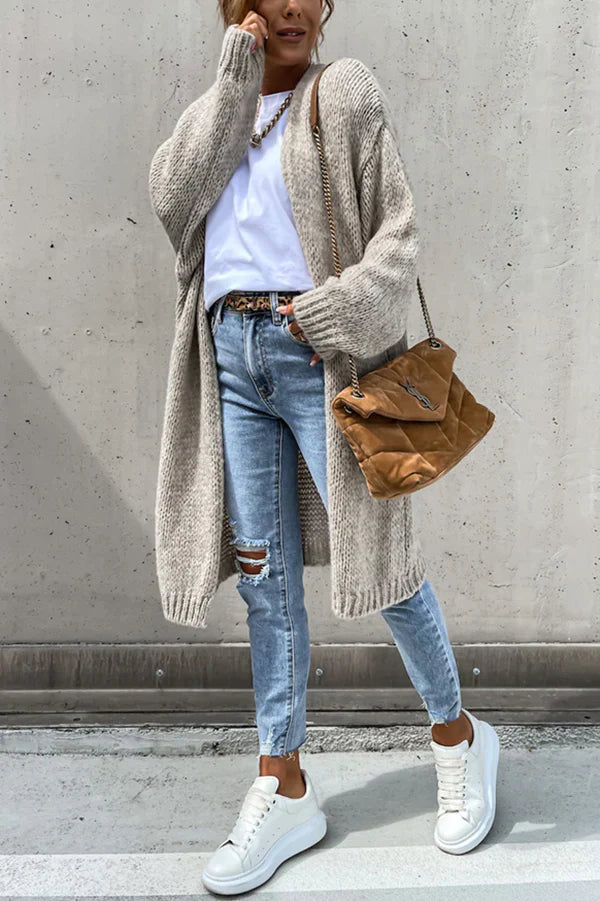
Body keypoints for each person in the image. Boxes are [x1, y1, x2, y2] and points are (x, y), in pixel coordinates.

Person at [148, 1, 500, 894]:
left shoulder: (342, 92)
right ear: (238, 9)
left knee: (386, 563)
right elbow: (173, 203)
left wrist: (338, 309)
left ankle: (459, 738)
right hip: (230, 360)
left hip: (320, 355)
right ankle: (286, 781)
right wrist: (235, 78)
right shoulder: (213, 110)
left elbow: (399, 234)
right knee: (264, 576)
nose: (294, 6)